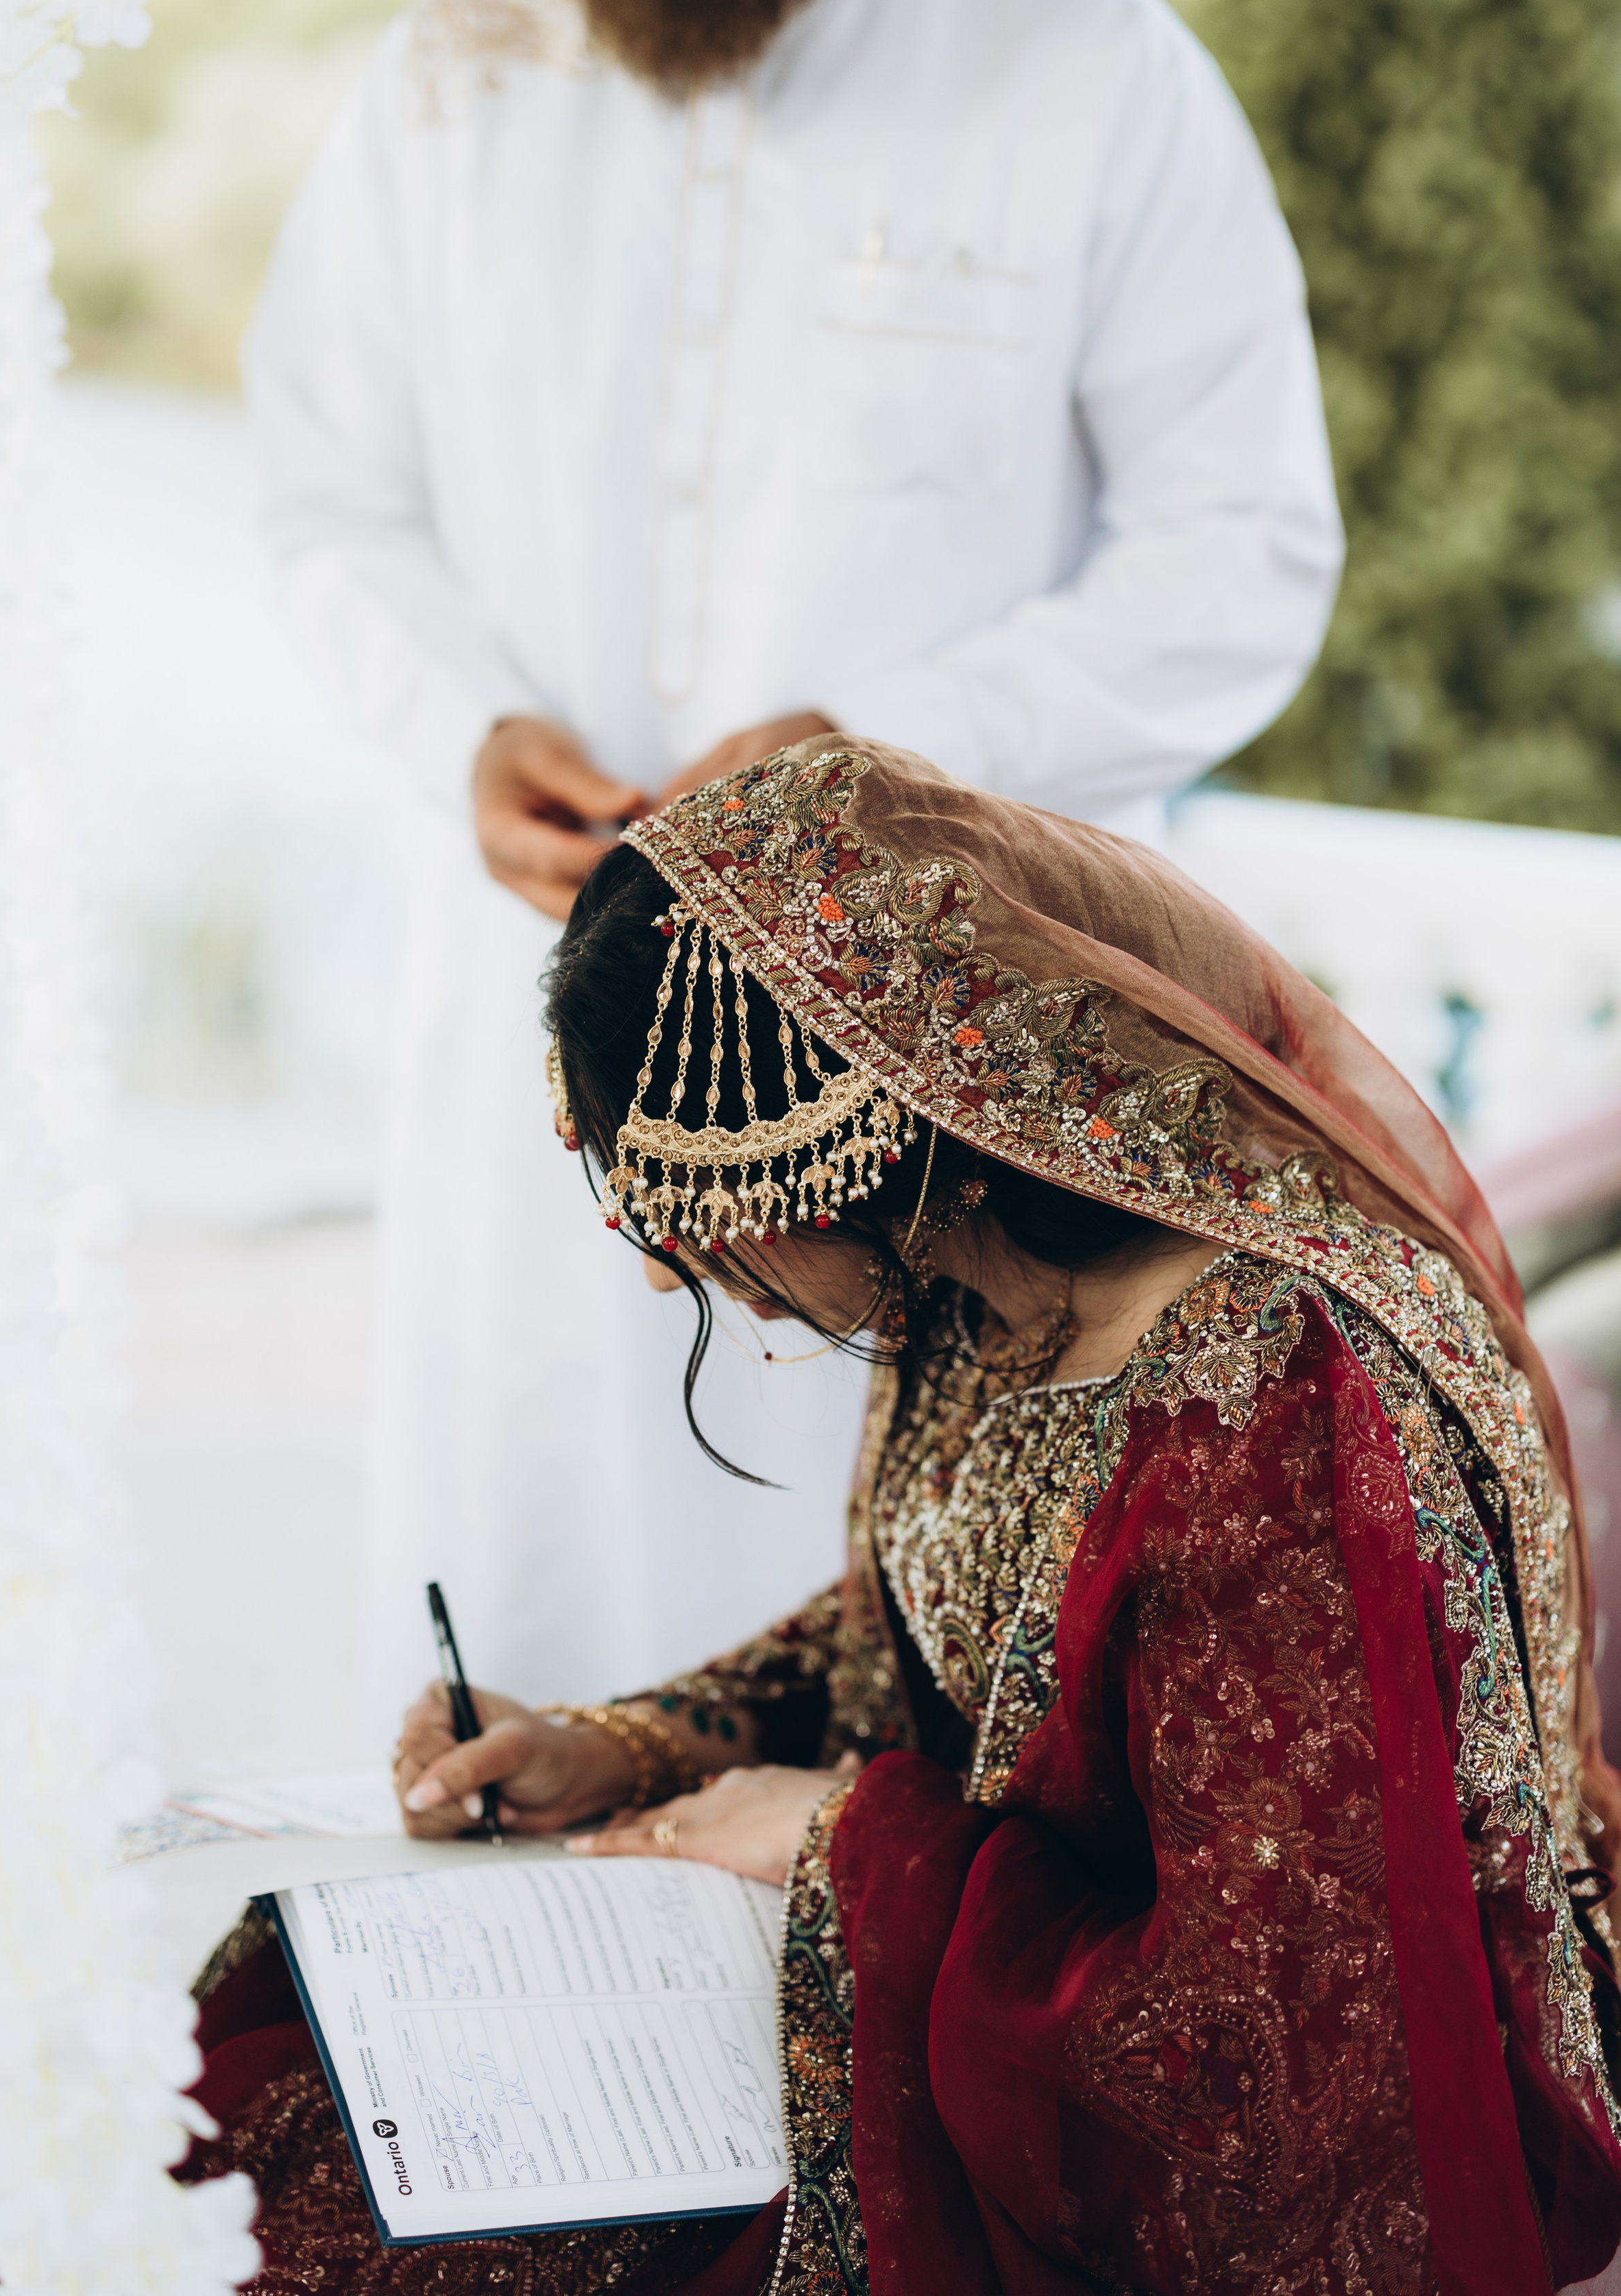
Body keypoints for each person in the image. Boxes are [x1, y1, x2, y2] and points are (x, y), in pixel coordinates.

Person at [243, 0, 1345, 1719]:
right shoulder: (446, 80)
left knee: (917, 1673)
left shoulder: (1089, 67)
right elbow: (324, 500)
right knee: (525, 1627)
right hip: (535, 1028)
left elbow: (1247, 558)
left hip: (953, 1057)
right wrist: (456, 728)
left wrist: (897, 766)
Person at [186, 735, 1621, 2293]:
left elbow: (1264, 2062)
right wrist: (634, 1742)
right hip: (955, 2020)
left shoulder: (1272, 1406)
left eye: (711, 1234)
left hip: (1138, 2143)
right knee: (280, 2058)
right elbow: (946, 1620)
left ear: (841, 1157)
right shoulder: (971, 1272)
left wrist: (834, 1841)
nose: (701, 1284)